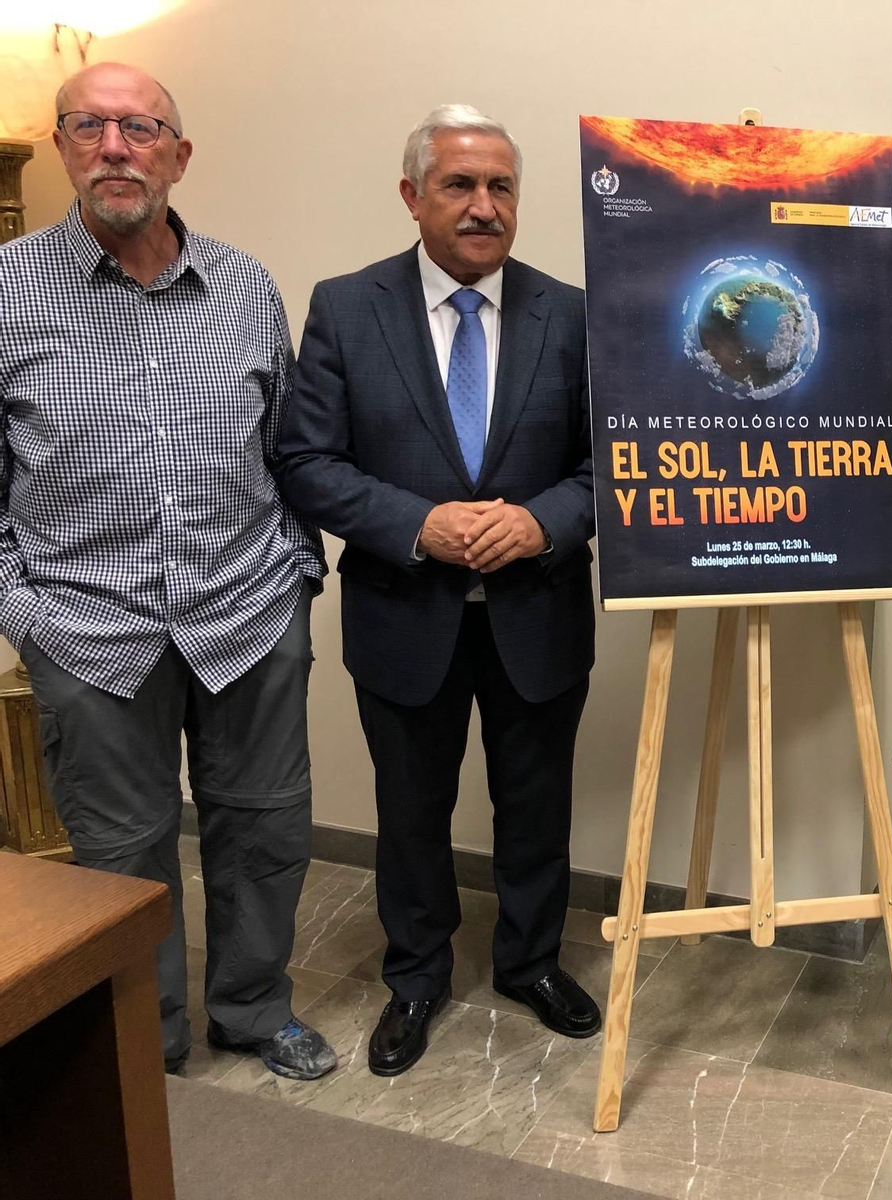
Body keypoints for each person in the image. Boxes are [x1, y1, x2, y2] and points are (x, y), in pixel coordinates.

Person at [0, 63, 335, 1079]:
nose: (115, 147)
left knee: (265, 828)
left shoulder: (243, 286)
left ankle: (252, 1007)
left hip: (246, 616)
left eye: (140, 128)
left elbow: (289, 453)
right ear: (61, 148)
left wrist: (296, 580)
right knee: (120, 853)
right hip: (87, 633)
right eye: (90, 127)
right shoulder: (8, 292)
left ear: (177, 156)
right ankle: (143, 1042)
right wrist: (25, 614)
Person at [279, 104, 599, 1077]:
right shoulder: (346, 306)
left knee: (536, 808)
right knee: (411, 815)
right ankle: (415, 976)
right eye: (460, 185)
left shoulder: (574, 313)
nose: (483, 205)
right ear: (413, 196)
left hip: (536, 613)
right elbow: (305, 459)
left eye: (501, 186)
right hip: (401, 614)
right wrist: (417, 524)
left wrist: (543, 520)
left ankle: (529, 963)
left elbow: (616, 464)